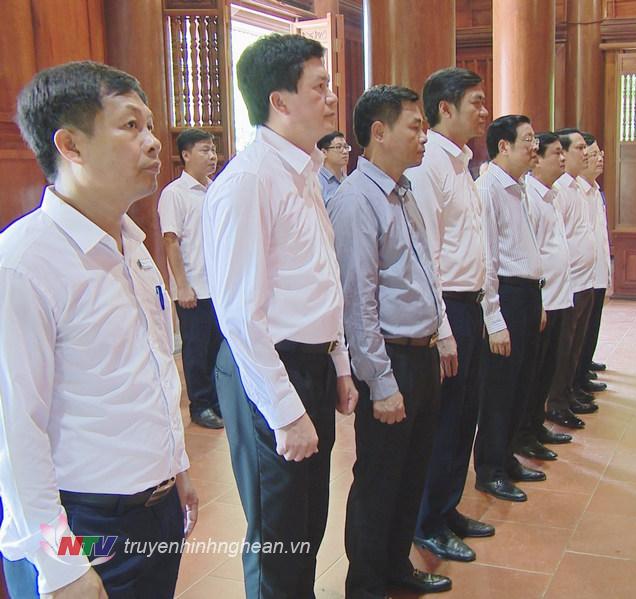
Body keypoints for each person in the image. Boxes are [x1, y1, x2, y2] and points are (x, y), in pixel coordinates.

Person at [0, 60, 197, 599]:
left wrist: (175, 470)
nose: (154, 143)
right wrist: (62, 565)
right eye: (131, 126)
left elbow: (151, 371)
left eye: (151, 125)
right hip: (83, 525)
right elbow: (16, 435)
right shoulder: (23, 263)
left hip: (153, 512)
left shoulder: (132, 244)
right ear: (71, 145)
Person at [202, 34, 358, 599]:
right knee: (278, 534)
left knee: (308, 521)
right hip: (267, 371)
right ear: (280, 100)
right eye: (320, 86)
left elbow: (322, 281)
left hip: (310, 365)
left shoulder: (304, 172)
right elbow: (241, 316)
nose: (333, 98)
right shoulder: (248, 182)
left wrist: (339, 364)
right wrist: (286, 412)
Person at [332, 85, 452, 599]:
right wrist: (381, 384)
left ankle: (397, 566)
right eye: (415, 125)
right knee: (380, 480)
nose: (423, 136)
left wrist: (442, 332)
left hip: (421, 353)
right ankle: (366, 583)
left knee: (411, 473)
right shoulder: (356, 201)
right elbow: (358, 303)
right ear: (378, 132)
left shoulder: (402, 192)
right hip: (391, 360)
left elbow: (424, 271)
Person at [407, 67, 495, 564]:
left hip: (472, 303)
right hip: (449, 309)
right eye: (476, 103)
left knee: (466, 416)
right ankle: (427, 521)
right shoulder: (429, 167)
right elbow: (428, 256)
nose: (484, 112)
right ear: (446, 108)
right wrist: (442, 329)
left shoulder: (462, 164)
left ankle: (447, 506)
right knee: (444, 422)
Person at [474, 115, 547, 503]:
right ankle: (490, 468)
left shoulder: (519, 188)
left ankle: (507, 457)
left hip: (528, 294)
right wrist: (494, 316)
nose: (534, 147)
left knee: (522, 383)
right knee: (499, 389)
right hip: (507, 297)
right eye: (528, 140)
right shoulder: (487, 189)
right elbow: (488, 257)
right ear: (503, 146)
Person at [513, 132, 576, 462]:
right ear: (537, 159)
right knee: (532, 374)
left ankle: (536, 426)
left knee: (547, 370)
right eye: (556, 153)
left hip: (558, 297)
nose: (562, 159)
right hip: (542, 300)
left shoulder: (551, 196)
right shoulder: (530, 198)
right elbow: (530, 252)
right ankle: (522, 434)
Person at [158, 127, 224, 429]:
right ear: (185, 155)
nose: (212, 156)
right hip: (193, 288)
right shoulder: (174, 194)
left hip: (219, 287)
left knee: (217, 348)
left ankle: (218, 400)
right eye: (204, 150)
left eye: (213, 150)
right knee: (196, 350)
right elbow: (171, 241)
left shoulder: (216, 189)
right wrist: (182, 285)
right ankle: (200, 405)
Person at [546, 128, 598, 430]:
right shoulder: (560, 190)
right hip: (568, 283)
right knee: (562, 349)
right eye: (579, 148)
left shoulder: (578, 187)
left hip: (584, 279)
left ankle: (569, 393)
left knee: (575, 345)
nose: (586, 153)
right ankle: (556, 402)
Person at [574, 132, 612, 394]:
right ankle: (576, 375)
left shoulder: (595, 191)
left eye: (600, 154)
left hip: (596, 272)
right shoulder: (574, 191)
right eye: (593, 154)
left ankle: (584, 365)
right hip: (580, 275)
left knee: (592, 324)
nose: (599, 159)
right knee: (578, 332)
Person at [316, 130, 350, 220]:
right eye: (339, 147)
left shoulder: (349, 181)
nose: (345, 151)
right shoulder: (317, 182)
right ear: (324, 152)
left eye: (346, 147)